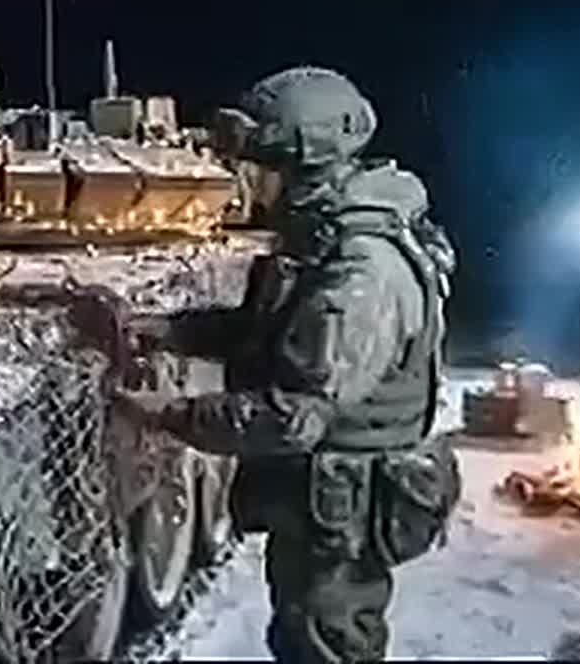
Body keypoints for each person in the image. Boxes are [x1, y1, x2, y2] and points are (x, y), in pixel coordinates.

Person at [110, 67, 461, 662]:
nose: (240, 181)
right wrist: (169, 332)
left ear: (295, 170)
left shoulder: (359, 271)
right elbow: (269, 334)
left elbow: (293, 416)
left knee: (324, 641)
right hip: (328, 495)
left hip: (344, 508)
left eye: (253, 166)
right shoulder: (326, 240)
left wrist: (167, 415)